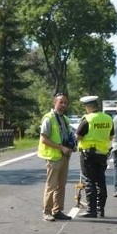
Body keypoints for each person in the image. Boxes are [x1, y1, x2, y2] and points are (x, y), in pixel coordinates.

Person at [38, 93, 75, 222]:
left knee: (61, 185)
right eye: (61, 102)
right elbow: (44, 139)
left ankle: (57, 210)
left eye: (65, 102)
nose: (63, 105)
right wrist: (61, 148)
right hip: (54, 157)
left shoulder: (64, 119)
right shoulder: (48, 118)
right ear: (54, 103)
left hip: (64, 156)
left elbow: (67, 136)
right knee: (51, 186)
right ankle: (47, 211)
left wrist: (71, 146)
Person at [75, 95, 114, 218]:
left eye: (86, 107)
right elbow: (111, 136)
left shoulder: (87, 119)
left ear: (89, 107)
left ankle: (91, 210)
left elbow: (78, 136)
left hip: (88, 154)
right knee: (101, 181)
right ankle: (100, 209)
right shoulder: (108, 118)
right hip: (102, 154)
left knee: (90, 181)